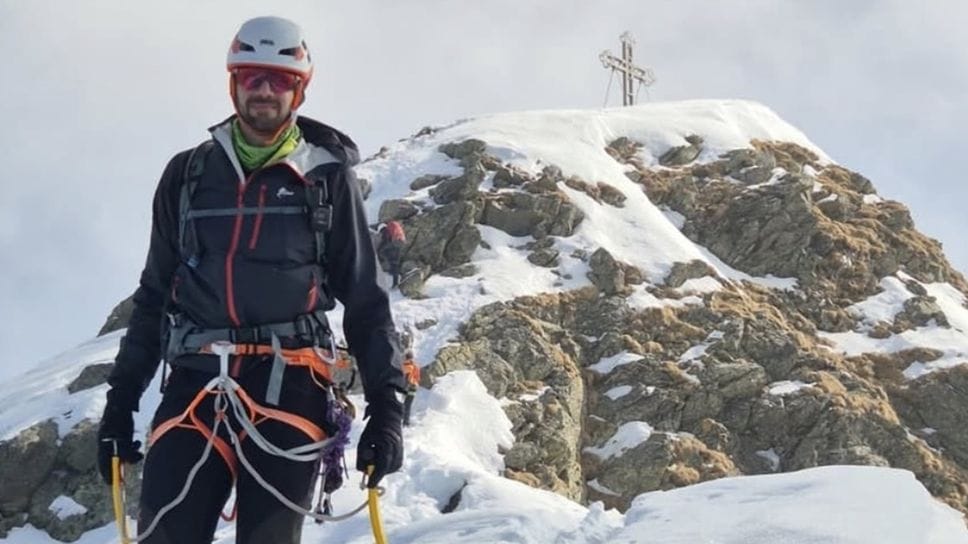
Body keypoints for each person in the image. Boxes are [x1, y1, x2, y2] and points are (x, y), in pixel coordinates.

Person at [96, 16, 405, 544]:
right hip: (195, 383)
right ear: (233, 82)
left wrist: (387, 408)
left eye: (279, 79)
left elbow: (365, 299)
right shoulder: (186, 175)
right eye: (251, 76)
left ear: (299, 90)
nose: (264, 90)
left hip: (291, 384)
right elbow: (155, 296)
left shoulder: (326, 178)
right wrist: (120, 405)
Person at [377, 220, 406, 288]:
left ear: (382, 229)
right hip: (401, 243)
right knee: (394, 263)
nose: (381, 233)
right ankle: (396, 282)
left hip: (395, 243)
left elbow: (385, 241)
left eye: (381, 232)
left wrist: (379, 251)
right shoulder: (393, 228)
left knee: (383, 252)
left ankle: (394, 281)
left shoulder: (386, 231)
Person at [401, 351, 420, 427]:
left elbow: (404, 377)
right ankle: (405, 421)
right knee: (407, 404)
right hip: (414, 387)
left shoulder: (405, 367)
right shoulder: (415, 366)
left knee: (406, 405)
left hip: (407, 387)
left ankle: (405, 422)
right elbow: (418, 378)